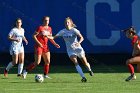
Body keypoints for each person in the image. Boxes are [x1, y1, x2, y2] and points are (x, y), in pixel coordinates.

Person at [47, 17, 94, 82]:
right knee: (75, 62)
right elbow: (53, 37)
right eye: (66, 22)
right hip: (70, 50)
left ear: (71, 23)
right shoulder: (62, 31)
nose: (67, 23)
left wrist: (78, 43)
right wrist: (47, 36)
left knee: (85, 62)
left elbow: (82, 38)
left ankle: (89, 70)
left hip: (78, 48)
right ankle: (83, 77)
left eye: (68, 22)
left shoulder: (74, 30)